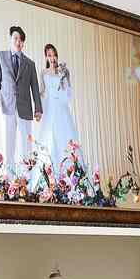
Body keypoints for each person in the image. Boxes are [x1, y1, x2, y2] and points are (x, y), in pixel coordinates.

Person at [0, 26, 42, 173]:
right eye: (16, 38)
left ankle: (26, 180)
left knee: (25, 144)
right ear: (11, 39)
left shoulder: (30, 64)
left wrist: (38, 108)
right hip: (6, 106)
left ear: (23, 43)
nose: (18, 42)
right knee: (8, 143)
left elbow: (35, 87)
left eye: (21, 40)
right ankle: (9, 180)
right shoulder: (0, 56)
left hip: (25, 108)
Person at [36, 44, 86, 181]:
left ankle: (70, 175)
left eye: (54, 55)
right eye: (49, 55)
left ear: (57, 56)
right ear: (46, 57)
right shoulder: (43, 73)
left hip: (61, 109)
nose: (52, 58)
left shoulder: (62, 72)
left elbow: (67, 93)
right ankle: (50, 176)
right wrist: (37, 108)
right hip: (49, 109)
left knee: (64, 138)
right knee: (49, 139)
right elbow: (41, 91)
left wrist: (66, 78)